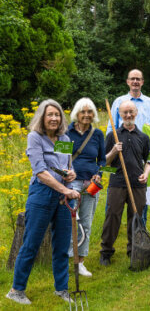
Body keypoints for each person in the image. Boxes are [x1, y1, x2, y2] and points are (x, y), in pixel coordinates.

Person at [6, 100, 80, 305]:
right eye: (50, 115)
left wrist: (71, 174)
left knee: (62, 245)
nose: (54, 118)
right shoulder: (34, 138)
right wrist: (65, 189)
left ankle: (61, 289)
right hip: (41, 195)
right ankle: (16, 290)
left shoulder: (64, 138)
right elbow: (40, 171)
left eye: (57, 114)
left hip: (63, 195)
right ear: (42, 117)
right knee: (31, 243)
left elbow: (66, 165)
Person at [100, 101, 150, 266]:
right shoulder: (113, 136)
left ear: (136, 112)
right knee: (112, 216)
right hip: (117, 183)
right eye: (125, 113)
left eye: (131, 112)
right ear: (120, 115)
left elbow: (149, 160)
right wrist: (114, 151)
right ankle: (106, 252)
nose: (128, 115)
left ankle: (134, 249)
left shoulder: (143, 137)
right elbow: (104, 164)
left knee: (135, 217)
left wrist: (146, 174)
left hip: (137, 184)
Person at [106, 69, 150, 225]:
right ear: (128, 82)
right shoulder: (118, 101)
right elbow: (111, 127)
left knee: (140, 189)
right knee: (115, 191)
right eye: (132, 79)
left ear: (142, 82)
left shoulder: (149, 102)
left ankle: (140, 229)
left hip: (140, 151)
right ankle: (111, 228)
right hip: (121, 151)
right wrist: (112, 149)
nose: (135, 81)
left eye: (138, 79)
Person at [67, 98, 106, 277]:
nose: (86, 115)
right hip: (71, 183)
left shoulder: (97, 134)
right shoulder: (66, 133)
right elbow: (60, 156)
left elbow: (103, 160)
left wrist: (99, 173)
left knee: (86, 222)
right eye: (83, 112)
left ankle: (80, 261)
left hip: (91, 184)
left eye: (90, 112)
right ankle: (66, 258)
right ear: (77, 113)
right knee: (69, 223)